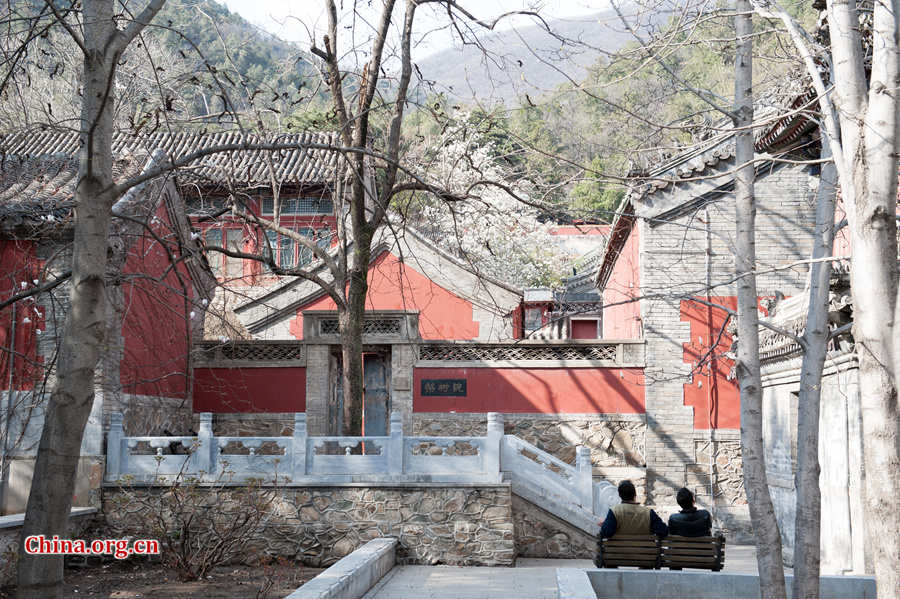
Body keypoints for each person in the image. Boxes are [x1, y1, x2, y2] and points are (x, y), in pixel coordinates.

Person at [599, 480, 668, 538]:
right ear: (635, 494)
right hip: (644, 552)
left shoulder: (614, 511)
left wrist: (605, 524)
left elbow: (605, 533)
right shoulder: (648, 512)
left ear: (619, 495)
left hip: (619, 553)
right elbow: (663, 531)